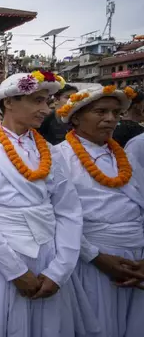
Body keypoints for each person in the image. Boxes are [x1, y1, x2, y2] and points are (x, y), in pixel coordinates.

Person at [0, 71, 98, 337]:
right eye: (37, 100)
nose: (45, 109)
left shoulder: (50, 151)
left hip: (48, 255)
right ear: (9, 102)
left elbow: (68, 210)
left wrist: (59, 269)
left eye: (47, 101)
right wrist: (16, 271)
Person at [56, 85, 144, 337]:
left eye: (116, 113)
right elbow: (59, 217)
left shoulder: (126, 157)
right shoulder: (58, 157)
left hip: (136, 259)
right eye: (101, 112)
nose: (110, 119)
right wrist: (96, 257)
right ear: (75, 117)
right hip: (93, 259)